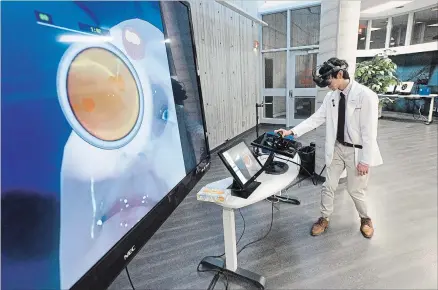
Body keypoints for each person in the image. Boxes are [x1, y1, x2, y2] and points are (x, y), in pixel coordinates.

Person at [275, 57, 382, 239]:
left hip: (357, 151)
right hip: (337, 148)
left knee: (355, 190)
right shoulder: (331, 97)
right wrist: (291, 132)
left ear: (340, 74)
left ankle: (365, 219)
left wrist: (365, 160)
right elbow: (316, 119)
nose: (327, 86)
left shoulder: (366, 96)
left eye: (329, 81)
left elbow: (369, 132)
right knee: (328, 186)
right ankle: (324, 218)